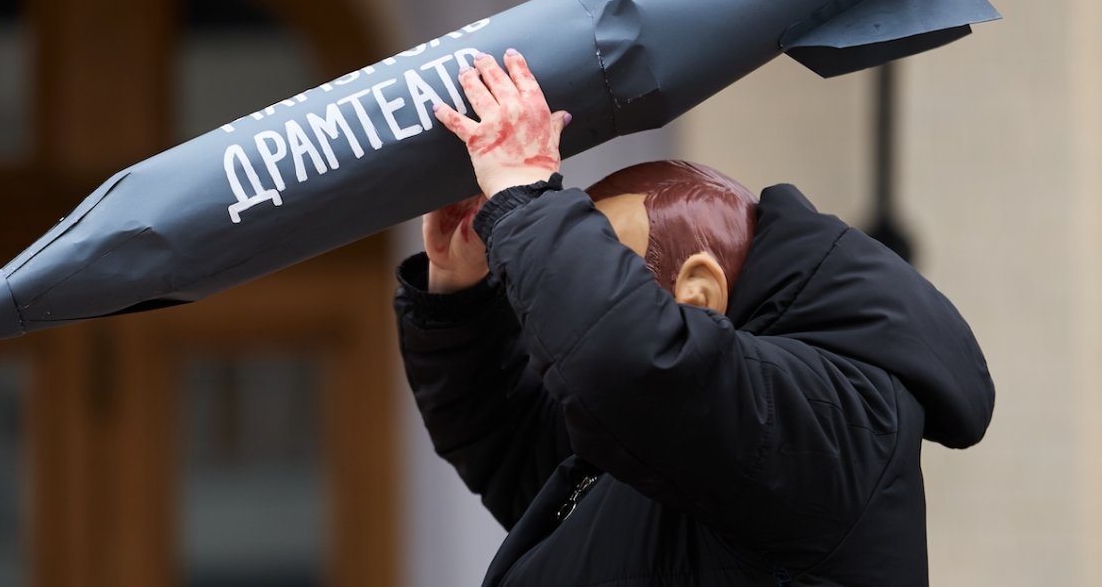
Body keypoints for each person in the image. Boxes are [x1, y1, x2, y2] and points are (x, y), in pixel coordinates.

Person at [395, 49, 995, 586]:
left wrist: (526, 201)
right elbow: (530, 452)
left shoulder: (837, 422)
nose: (575, 302)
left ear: (698, 292)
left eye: (614, 268)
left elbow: (625, 360)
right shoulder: (684, 432)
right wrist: (460, 289)